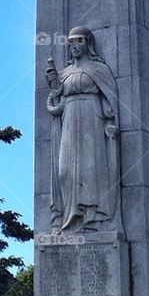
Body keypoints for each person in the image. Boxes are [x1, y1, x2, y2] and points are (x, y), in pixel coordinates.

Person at [46, 26, 120, 232]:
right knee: (64, 171)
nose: (74, 46)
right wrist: (54, 85)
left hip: (92, 120)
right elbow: (56, 95)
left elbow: (110, 97)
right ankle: (67, 216)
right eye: (70, 42)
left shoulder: (99, 69)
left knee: (90, 169)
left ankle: (91, 218)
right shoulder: (65, 73)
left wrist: (111, 123)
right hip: (69, 119)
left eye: (79, 41)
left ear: (88, 43)